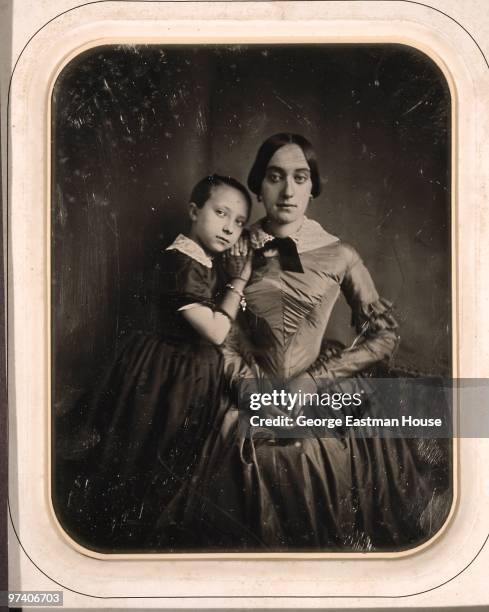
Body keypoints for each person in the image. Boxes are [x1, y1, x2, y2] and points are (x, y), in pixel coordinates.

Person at [188, 134, 450, 551]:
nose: (288, 191)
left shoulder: (341, 254)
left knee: (315, 458)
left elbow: (385, 335)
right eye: (275, 177)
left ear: (313, 187)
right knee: (242, 460)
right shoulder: (232, 247)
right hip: (247, 387)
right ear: (259, 184)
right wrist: (247, 386)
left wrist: (315, 379)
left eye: (300, 177)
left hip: (319, 389)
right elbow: (222, 332)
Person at [56, 174, 254, 551]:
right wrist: (240, 281)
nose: (229, 228)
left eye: (239, 222)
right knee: (143, 457)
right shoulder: (182, 262)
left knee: (169, 463)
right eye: (221, 213)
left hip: (184, 373)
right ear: (195, 211)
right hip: (161, 373)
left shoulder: (201, 259)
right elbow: (214, 331)